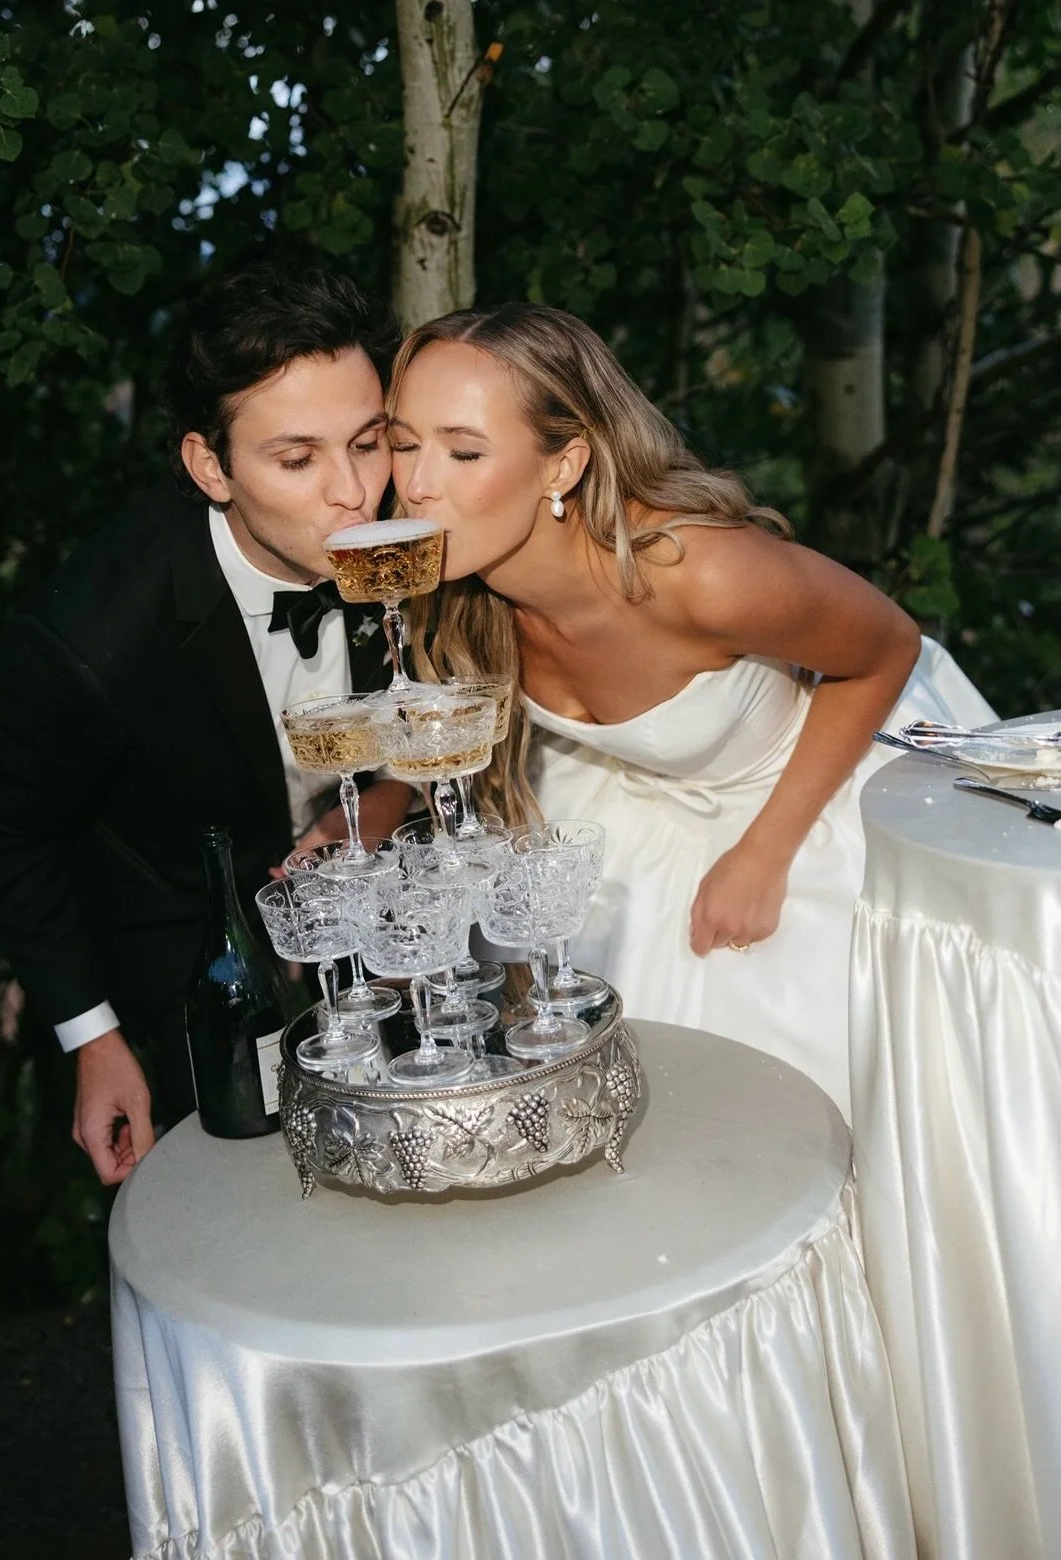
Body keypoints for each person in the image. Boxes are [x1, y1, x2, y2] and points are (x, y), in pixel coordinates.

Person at [390, 303, 995, 1121]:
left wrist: (762, 856)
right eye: (401, 443)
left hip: (817, 776)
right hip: (632, 800)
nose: (418, 483)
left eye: (463, 451)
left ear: (562, 465)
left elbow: (887, 647)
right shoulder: (455, 594)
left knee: (798, 1084)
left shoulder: (697, 571)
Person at [0, 268, 413, 1184]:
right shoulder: (91, 637)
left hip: (389, 954)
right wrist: (92, 1036)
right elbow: (2, 828)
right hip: (192, 986)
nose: (354, 494)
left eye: (367, 443)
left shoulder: (414, 534)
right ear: (210, 465)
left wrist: (388, 800)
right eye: (297, 460)